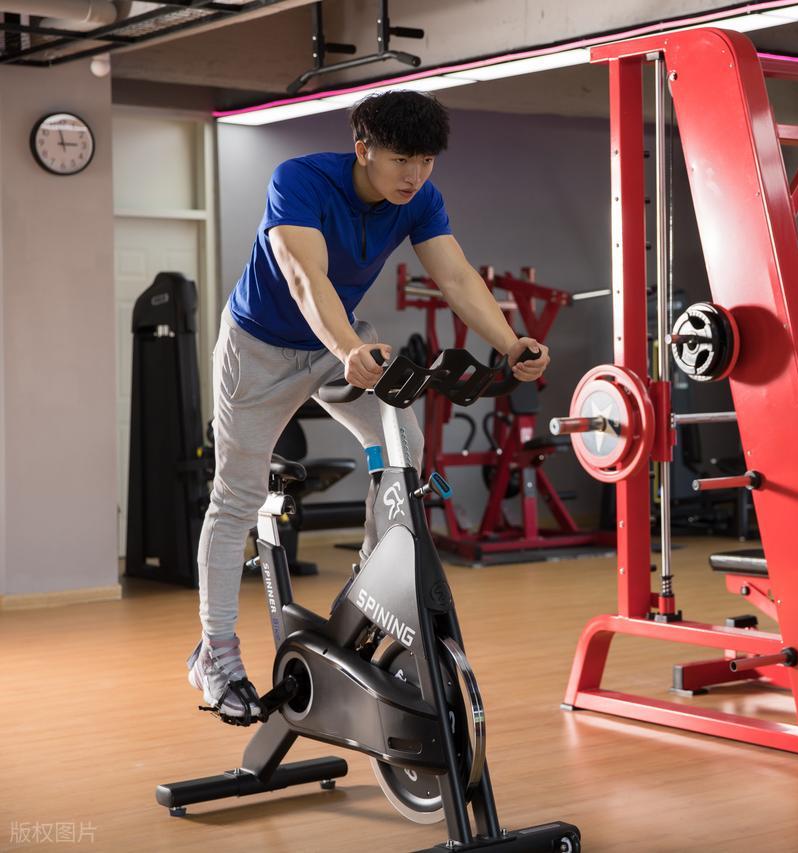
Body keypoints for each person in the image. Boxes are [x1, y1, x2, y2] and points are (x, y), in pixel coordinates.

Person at [187, 90, 550, 724]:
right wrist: (349, 349)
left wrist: (509, 341)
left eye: (427, 161)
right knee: (236, 497)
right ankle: (214, 653)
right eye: (402, 160)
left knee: (405, 448)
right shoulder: (299, 180)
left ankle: (368, 586)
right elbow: (305, 277)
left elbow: (457, 277)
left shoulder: (421, 200)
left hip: (338, 345)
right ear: (364, 150)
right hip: (261, 349)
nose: (415, 175)